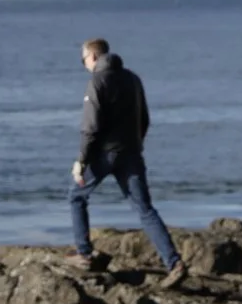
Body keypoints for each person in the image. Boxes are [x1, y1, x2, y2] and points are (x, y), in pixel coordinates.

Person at [68, 38, 186, 286]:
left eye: (83, 60)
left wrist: (81, 161)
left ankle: (84, 253)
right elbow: (144, 118)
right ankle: (174, 263)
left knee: (76, 196)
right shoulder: (133, 79)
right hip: (131, 153)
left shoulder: (97, 82)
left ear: (93, 57)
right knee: (145, 209)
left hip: (104, 154)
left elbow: (90, 128)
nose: (84, 65)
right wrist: (135, 144)